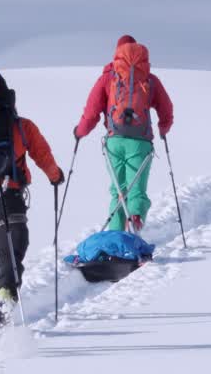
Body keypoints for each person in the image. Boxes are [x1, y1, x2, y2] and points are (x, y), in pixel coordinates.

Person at [0, 68, 64, 304]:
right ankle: (7, 293)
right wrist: (55, 176)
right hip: (9, 193)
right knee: (11, 250)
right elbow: (42, 154)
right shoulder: (21, 126)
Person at [74, 35, 174, 233]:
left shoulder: (108, 78)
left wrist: (79, 132)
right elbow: (166, 108)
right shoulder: (149, 79)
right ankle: (134, 225)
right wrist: (163, 129)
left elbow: (92, 111)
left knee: (118, 191)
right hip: (140, 142)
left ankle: (115, 236)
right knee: (136, 190)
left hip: (114, 141)